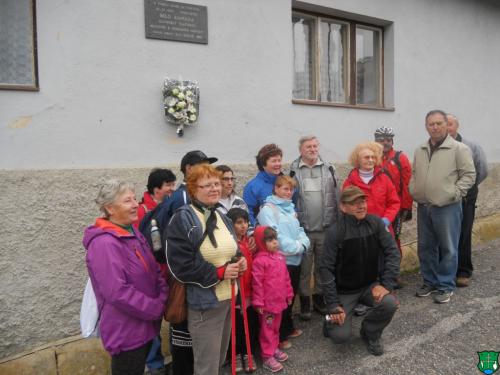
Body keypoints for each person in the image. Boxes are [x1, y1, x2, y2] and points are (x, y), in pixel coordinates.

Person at [166, 164, 247, 375]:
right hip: (205, 304)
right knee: (206, 367)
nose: (215, 189)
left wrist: (240, 261)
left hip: (228, 299)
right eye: (207, 185)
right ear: (193, 189)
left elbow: (231, 249)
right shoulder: (183, 218)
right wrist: (219, 273)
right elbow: (180, 266)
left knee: (218, 361)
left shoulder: (220, 215)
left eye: (217, 184)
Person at [83, 180, 168, 375]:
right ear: (110, 208)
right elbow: (117, 292)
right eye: (127, 201)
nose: (135, 205)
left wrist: (162, 295)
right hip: (126, 331)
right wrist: (154, 308)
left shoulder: (132, 232)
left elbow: (154, 269)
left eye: (134, 199)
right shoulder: (104, 244)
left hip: (145, 325)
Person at [155, 150, 217, 375]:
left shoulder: (206, 206)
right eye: (202, 167)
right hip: (186, 279)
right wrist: (215, 270)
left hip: (192, 277)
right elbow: (179, 249)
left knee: (189, 336)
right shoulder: (183, 200)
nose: (212, 185)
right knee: (184, 332)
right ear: (190, 171)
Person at [319, 186, 400, 356]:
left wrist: (386, 285)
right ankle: (329, 320)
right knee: (340, 336)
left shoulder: (376, 223)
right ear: (343, 207)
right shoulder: (335, 232)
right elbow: (325, 269)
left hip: (369, 286)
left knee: (389, 304)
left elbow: (393, 253)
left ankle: (370, 333)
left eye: (363, 201)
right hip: (344, 292)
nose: (361, 206)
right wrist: (333, 305)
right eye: (355, 203)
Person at [410, 110, 475, 304]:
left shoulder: (459, 149)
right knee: (425, 247)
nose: (435, 127)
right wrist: (413, 189)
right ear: (426, 126)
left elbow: (469, 176)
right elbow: (414, 173)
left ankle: (446, 285)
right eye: (431, 124)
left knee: (448, 247)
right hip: (424, 206)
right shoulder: (420, 149)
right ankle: (429, 281)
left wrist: (454, 193)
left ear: (446, 125)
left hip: (448, 207)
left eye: (439, 123)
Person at [343, 142, 400, 316]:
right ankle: (362, 299)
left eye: (373, 157)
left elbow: (394, 202)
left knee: (383, 262)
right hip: (359, 231)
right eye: (366, 157)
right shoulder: (351, 180)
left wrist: (386, 220)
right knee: (362, 263)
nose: (370, 160)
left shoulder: (384, 177)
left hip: (381, 228)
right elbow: (346, 205)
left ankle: (384, 295)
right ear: (357, 160)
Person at [289, 135, 339, 319]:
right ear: (300, 150)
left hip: (325, 229)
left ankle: (319, 300)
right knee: (304, 269)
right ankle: (305, 304)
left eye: (315, 146)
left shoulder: (329, 169)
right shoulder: (292, 172)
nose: (312, 149)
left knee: (322, 267)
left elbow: (337, 196)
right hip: (303, 231)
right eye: (308, 146)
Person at [257, 175, 310, 350]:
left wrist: (303, 242)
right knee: (278, 299)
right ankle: (278, 336)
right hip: (280, 260)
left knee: (289, 296)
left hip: (295, 258)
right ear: (276, 189)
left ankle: (287, 327)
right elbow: (275, 235)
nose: (289, 192)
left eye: (291, 189)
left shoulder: (290, 208)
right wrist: (297, 246)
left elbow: (299, 230)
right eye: (285, 188)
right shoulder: (268, 210)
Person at [447, 114, 489, 287]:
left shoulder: (471, 146)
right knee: (447, 234)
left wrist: (466, 188)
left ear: (457, 126)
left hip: (466, 196)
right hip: (446, 196)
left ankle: (463, 271)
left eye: (450, 124)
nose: (447, 128)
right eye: (444, 124)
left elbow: (482, 170)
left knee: (464, 233)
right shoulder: (437, 146)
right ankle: (446, 270)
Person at [252, 226, 294, 373]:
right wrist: (258, 302)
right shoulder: (259, 261)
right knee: (267, 329)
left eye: (275, 239)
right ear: (261, 242)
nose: (274, 242)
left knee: (276, 327)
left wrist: (289, 294)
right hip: (267, 305)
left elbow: (286, 278)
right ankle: (267, 355)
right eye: (269, 240)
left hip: (279, 302)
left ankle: (274, 348)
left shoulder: (280, 257)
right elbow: (257, 283)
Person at [226, 208, 258, 373]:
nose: (243, 226)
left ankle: (247, 353)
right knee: (236, 326)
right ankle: (236, 355)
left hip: (249, 291)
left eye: (245, 222)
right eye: (239, 223)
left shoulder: (248, 242)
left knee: (249, 324)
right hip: (236, 293)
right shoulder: (231, 246)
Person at [374, 127, 413, 251]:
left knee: (393, 240)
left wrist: (405, 208)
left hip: (395, 208)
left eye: (388, 140)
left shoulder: (400, 158)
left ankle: (394, 268)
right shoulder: (372, 158)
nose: (385, 143)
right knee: (375, 239)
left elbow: (408, 184)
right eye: (381, 140)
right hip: (376, 207)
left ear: (392, 142)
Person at [243, 144, 283, 225]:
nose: (278, 164)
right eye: (274, 161)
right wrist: (257, 230)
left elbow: (292, 204)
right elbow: (248, 213)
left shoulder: (286, 182)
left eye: (279, 160)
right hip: (266, 234)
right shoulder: (253, 186)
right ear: (263, 164)